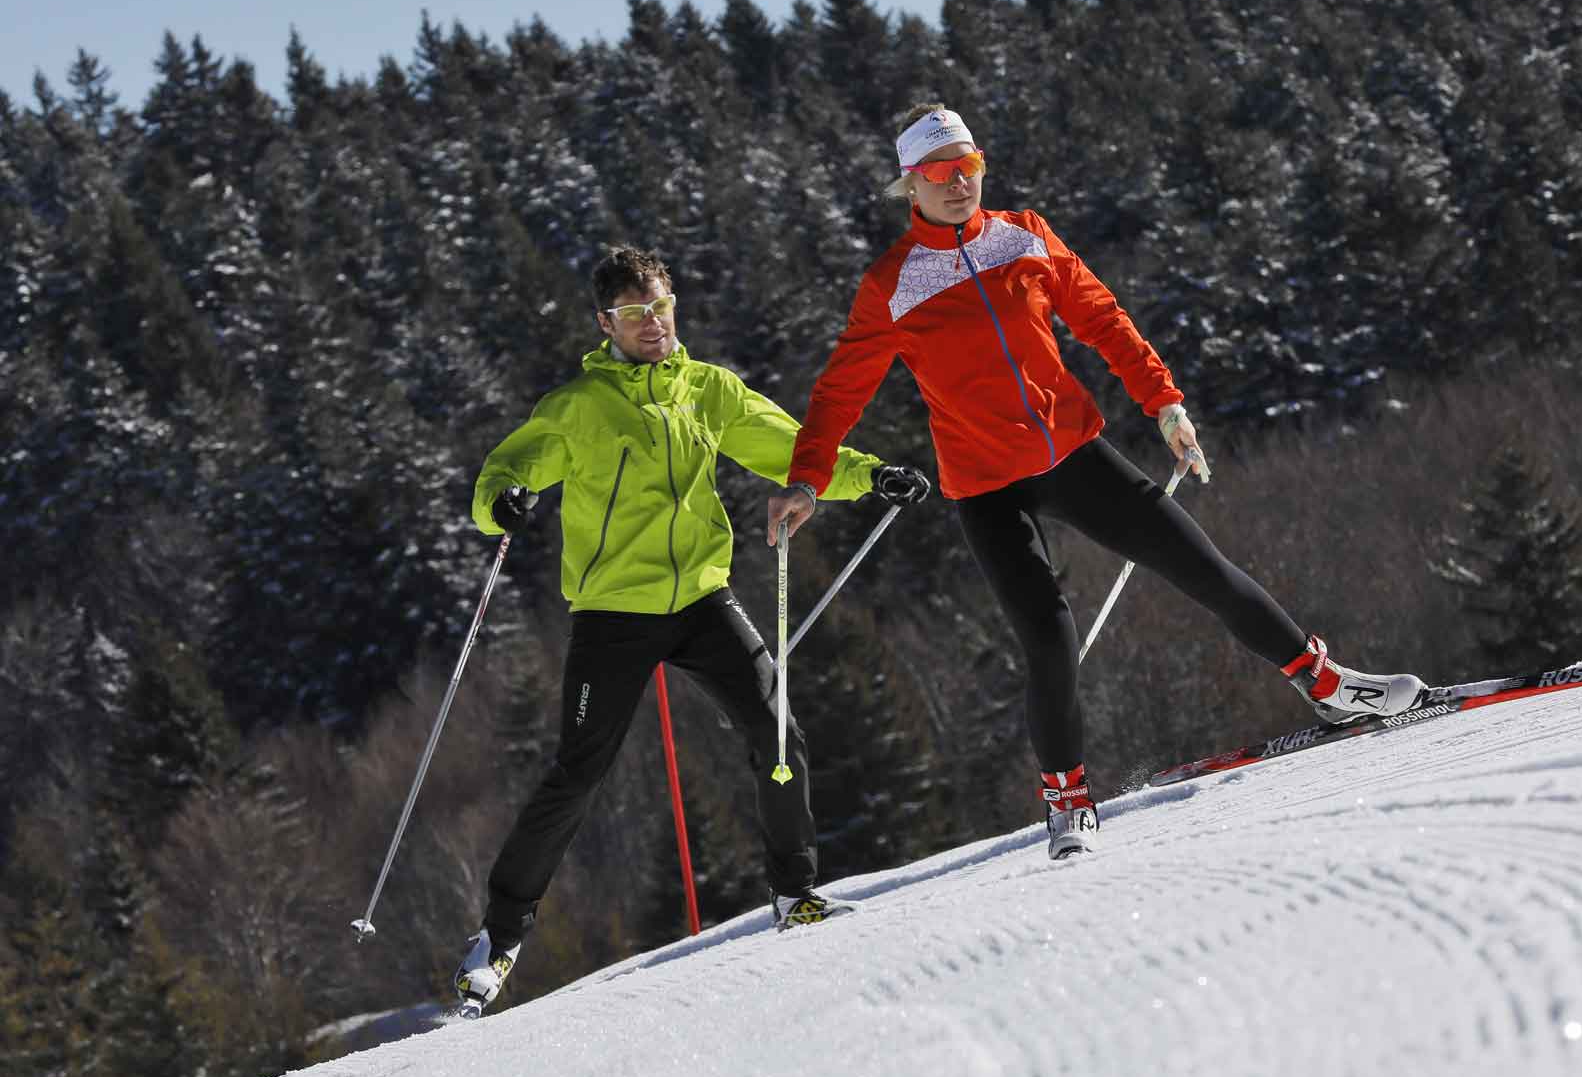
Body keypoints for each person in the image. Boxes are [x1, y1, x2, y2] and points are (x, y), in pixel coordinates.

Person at [767, 104, 1424, 860]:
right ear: (909, 184)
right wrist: (809, 482)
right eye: (942, 174)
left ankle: (1329, 684)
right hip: (985, 488)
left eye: (970, 168)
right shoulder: (891, 283)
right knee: (1049, 637)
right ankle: (1067, 800)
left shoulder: (1026, 234)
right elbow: (839, 394)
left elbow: (1102, 318)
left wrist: (1166, 403)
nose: (960, 185)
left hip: (1075, 454)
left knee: (1202, 567)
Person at [456, 245, 932, 1015]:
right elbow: (506, 471)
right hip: (613, 611)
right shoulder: (579, 405)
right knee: (578, 774)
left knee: (776, 730)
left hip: (701, 599)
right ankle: (498, 939)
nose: (655, 325)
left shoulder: (707, 391)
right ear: (605, 323)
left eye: (663, 308)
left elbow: (791, 447)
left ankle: (795, 893)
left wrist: (869, 473)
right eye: (638, 314)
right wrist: (502, 503)